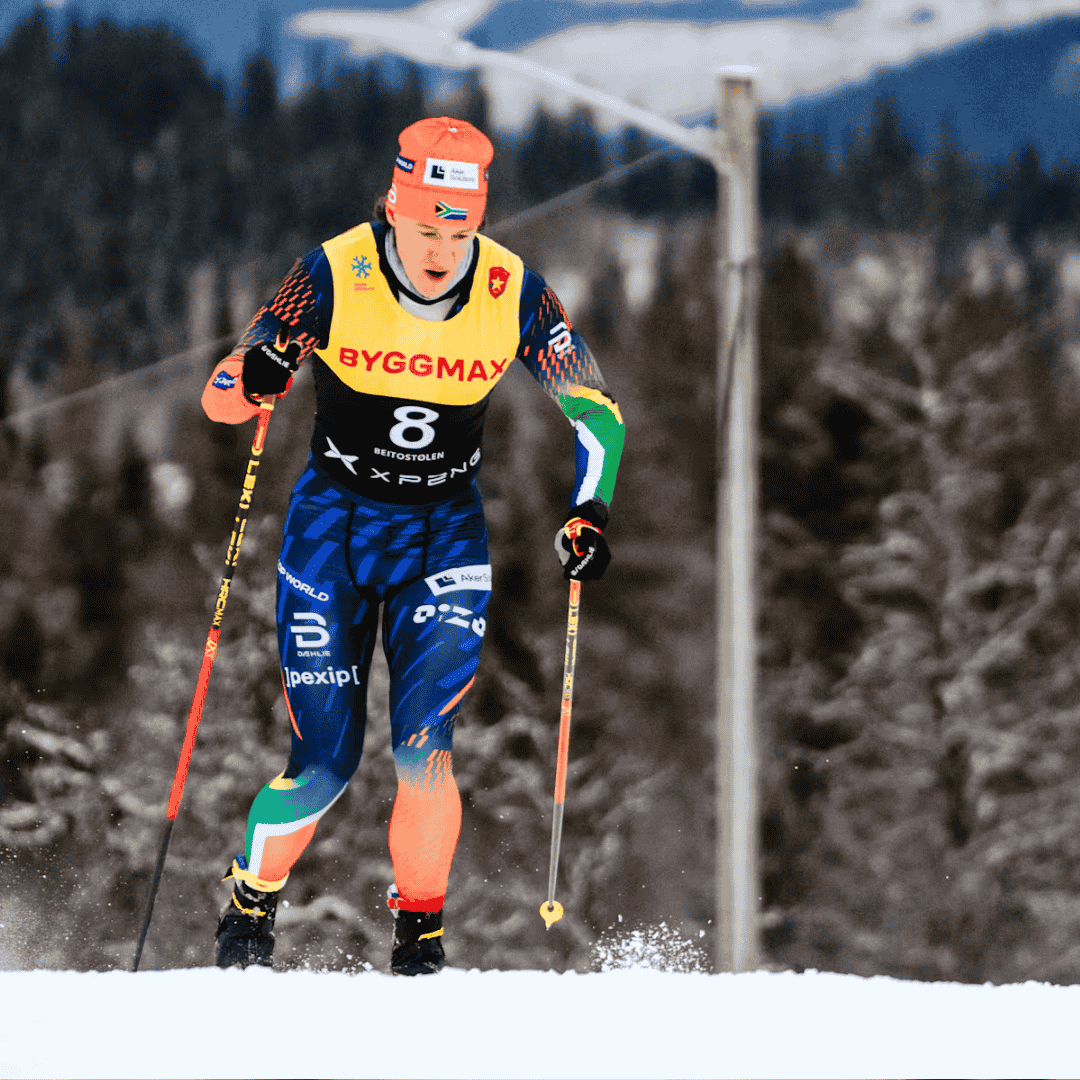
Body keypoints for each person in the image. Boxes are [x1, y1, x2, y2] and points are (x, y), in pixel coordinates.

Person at [200, 116, 625, 974]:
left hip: (443, 532)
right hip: (333, 530)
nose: (440, 249)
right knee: (324, 766)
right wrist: (254, 376)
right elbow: (219, 397)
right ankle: (251, 900)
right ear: (393, 208)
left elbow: (598, 416)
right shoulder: (330, 272)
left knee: (425, 746)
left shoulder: (517, 293)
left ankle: (419, 940)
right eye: (425, 227)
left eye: (458, 230)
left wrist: (591, 511)